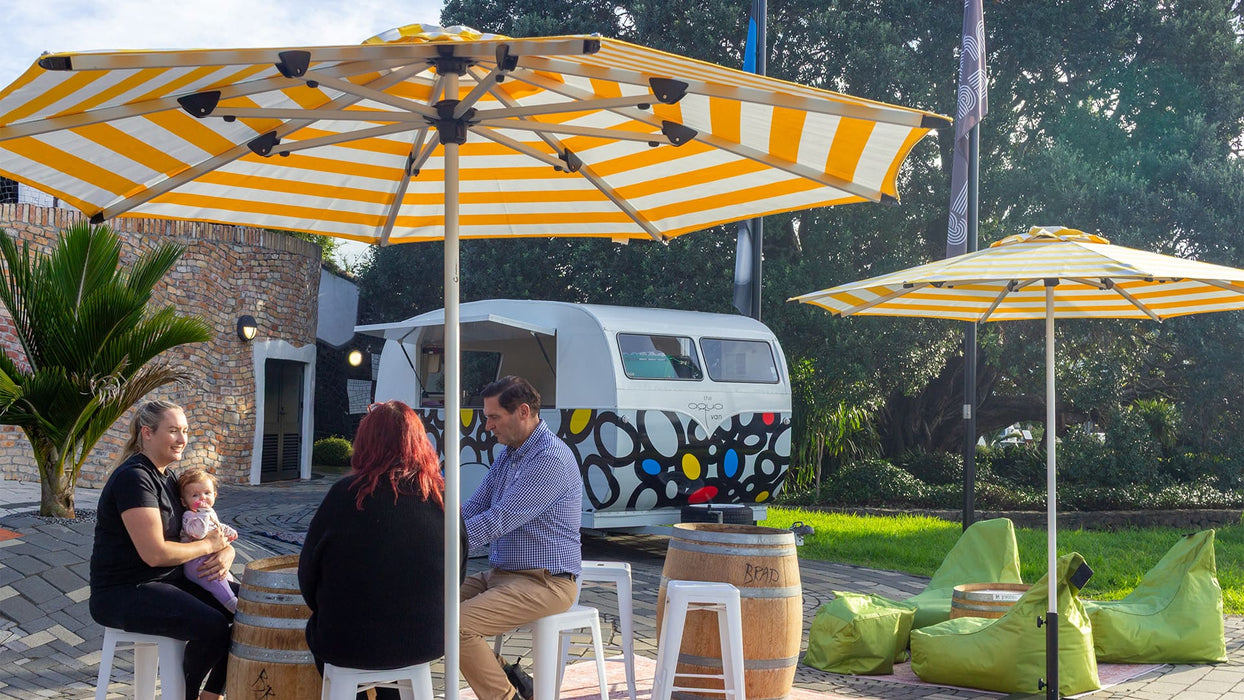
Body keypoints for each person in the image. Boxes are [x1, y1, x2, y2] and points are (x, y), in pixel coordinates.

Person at [298, 400, 466, 700]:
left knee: (332, 640)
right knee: (389, 650)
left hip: (347, 642)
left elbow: (308, 576)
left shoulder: (344, 495)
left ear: (365, 442)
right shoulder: (441, 498)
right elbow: (458, 574)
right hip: (426, 639)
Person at [89, 400, 236, 700]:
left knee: (250, 610)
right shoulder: (134, 479)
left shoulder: (169, 477)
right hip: (125, 591)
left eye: (185, 431)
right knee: (213, 625)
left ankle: (211, 694)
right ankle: (186, 695)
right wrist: (209, 546)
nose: (182, 439)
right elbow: (154, 554)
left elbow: (204, 530)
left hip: (170, 581)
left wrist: (225, 552)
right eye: (173, 431)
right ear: (147, 433)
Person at [460, 375, 582, 700]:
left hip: (546, 582)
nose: (488, 426)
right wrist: (431, 524)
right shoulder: (509, 454)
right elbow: (474, 507)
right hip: (501, 575)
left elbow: (499, 521)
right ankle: (511, 677)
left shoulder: (550, 459)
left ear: (523, 412)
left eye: (494, 417)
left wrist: (440, 544)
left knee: (456, 626)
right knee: (426, 606)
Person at [177, 469, 240, 613]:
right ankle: (234, 607)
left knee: (226, 577)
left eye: (207, 493)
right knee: (218, 584)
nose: (202, 498)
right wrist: (204, 513)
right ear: (184, 501)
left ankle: (229, 606)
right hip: (196, 562)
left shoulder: (209, 512)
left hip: (208, 558)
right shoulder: (189, 516)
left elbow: (215, 526)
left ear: (214, 495)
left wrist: (227, 530)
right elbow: (199, 533)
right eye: (195, 495)